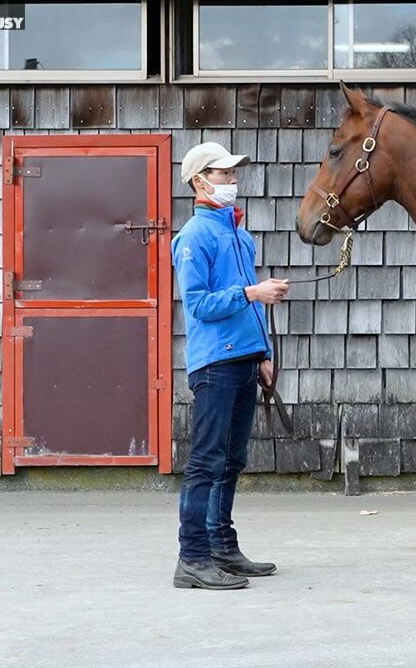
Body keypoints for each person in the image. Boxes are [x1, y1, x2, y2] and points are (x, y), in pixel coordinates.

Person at [170, 141, 290, 590]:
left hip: (243, 359)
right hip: (214, 363)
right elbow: (198, 304)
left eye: (233, 174)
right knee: (206, 461)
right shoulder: (194, 236)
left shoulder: (240, 235)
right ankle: (192, 556)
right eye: (223, 174)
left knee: (232, 459)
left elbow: (247, 303)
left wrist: (264, 354)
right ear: (199, 181)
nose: (232, 181)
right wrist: (251, 293)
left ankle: (222, 546)